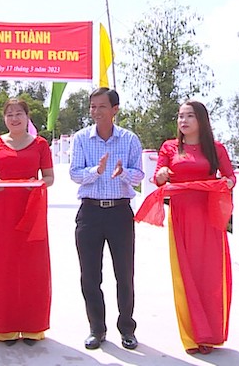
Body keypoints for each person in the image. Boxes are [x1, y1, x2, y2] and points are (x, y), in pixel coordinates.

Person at [152, 101, 235, 355]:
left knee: (210, 275)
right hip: (182, 217)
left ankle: (210, 334)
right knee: (185, 274)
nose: (183, 121)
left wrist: (227, 183)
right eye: (180, 116)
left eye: (189, 116)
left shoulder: (216, 149)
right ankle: (192, 335)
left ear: (201, 120)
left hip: (209, 217)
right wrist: (162, 174)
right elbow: (157, 178)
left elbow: (230, 177)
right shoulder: (169, 147)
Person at [69, 88, 144, 351]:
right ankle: (96, 328)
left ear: (115, 110)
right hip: (90, 212)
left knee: (124, 274)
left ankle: (127, 328)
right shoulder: (81, 138)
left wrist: (122, 173)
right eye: (93, 107)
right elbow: (75, 174)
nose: (96, 112)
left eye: (102, 106)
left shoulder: (129, 139)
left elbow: (139, 176)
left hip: (119, 212)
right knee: (90, 275)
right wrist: (96, 171)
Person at [0, 98, 54, 345]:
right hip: (3, 211)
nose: (14, 118)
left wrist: (37, 183)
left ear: (27, 117)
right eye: (10, 114)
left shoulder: (40, 144)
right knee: (4, 265)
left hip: (32, 208)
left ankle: (33, 326)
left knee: (33, 266)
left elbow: (49, 177)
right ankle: (4, 327)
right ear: (4, 118)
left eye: (19, 113)